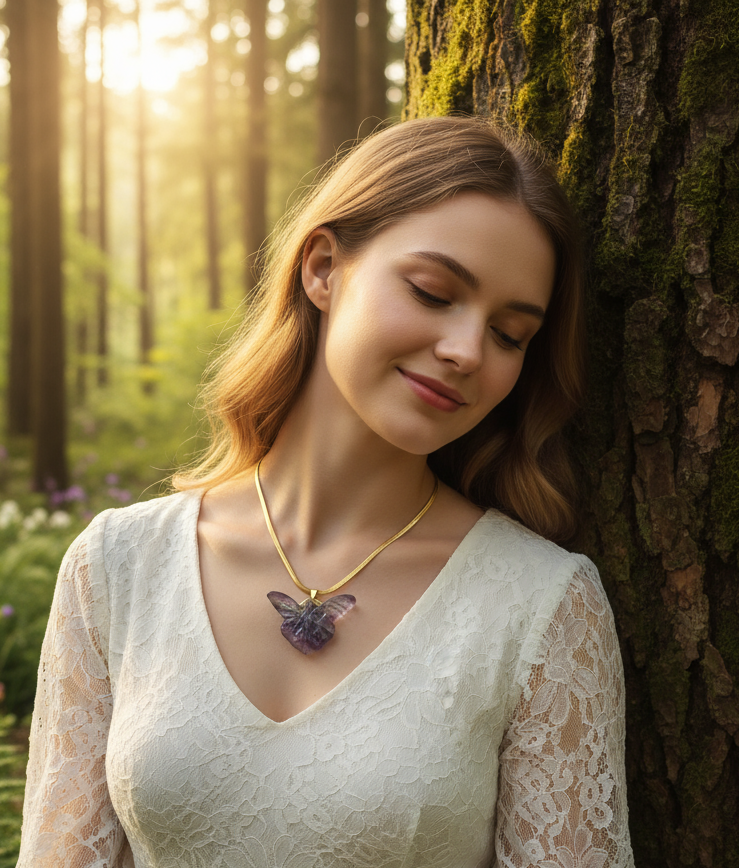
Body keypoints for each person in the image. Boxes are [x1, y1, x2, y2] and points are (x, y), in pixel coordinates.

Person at [17, 117, 634, 867]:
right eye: (433, 292)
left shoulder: (540, 607)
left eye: (510, 335)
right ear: (322, 269)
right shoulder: (117, 568)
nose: (467, 350)